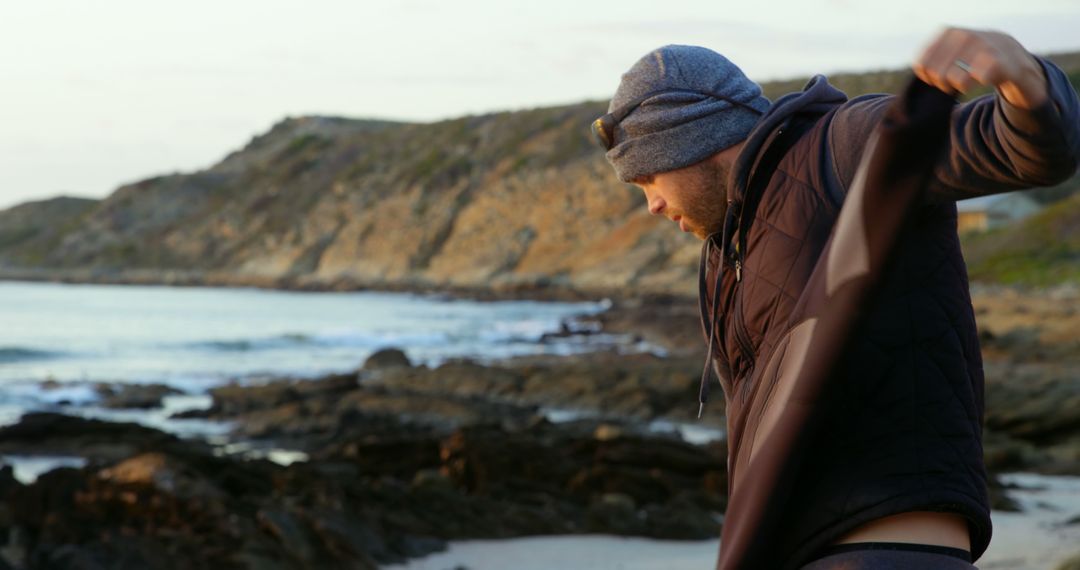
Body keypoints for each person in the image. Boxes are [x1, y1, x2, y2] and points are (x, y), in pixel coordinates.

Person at [591, 28, 1080, 569]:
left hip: (885, 552)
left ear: (691, 139)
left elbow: (1026, 150)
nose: (652, 206)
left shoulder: (837, 149)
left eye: (647, 179)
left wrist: (1024, 75)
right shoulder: (726, 251)